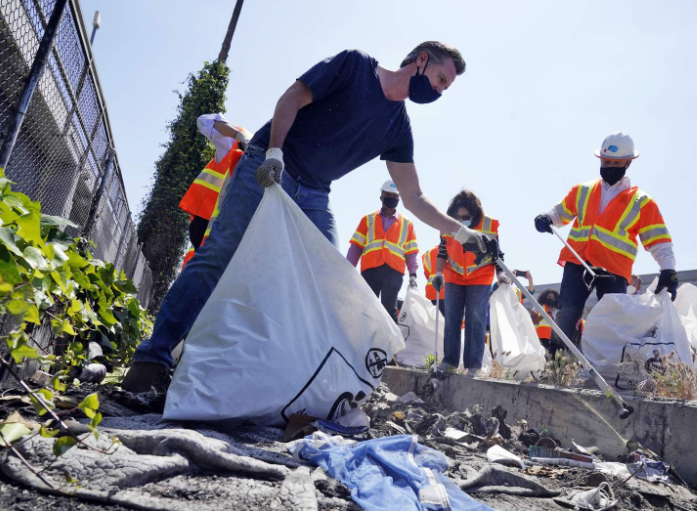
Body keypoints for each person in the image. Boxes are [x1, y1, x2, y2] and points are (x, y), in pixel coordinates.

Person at [123, 42, 492, 392]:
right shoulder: (355, 66)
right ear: (422, 60)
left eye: (446, 89)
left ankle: (303, 385)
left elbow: (413, 197)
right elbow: (292, 97)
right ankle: (151, 361)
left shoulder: (397, 127)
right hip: (268, 165)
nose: (439, 92)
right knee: (217, 256)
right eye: (442, 81)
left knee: (327, 284)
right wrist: (274, 153)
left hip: (314, 192)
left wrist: (462, 233)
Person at [533, 132, 678, 350]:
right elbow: (560, 212)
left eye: (615, 163)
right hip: (578, 262)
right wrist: (546, 217)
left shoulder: (642, 202)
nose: (609, 166)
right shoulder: (583, 191)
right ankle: (559, 366)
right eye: (605, 161)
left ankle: (607, 369)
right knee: (568, 312)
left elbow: (659, 241)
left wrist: (668, 271)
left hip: (614, 270)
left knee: (612, 321)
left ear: (628, 163)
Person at [433, 190, 508, 377]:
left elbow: (497, 254)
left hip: (480, 276)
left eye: (466, 217)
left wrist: (500, 275)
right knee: (452, 318)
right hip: (454, 276)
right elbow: (442, 251)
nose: (462, 220)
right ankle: (449, 362)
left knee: (476, 318)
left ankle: (473, 366)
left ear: (474, 215)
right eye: (459, 217)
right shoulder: (447, 223)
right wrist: (439, 273)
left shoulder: (488, 225)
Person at [179, 114, 252, 268]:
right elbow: (206, 121)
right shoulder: (240, 142)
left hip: (230, 231)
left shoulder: (278, 163)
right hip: (206, 222)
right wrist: (239, 136)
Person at [348, 180, 419, 321]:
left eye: (394, 196)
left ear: (399, 199)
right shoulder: (367, 220)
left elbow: (411, 252)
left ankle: (391, 343)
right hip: (370, 271)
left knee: (389, 309)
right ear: (381, 197)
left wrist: (413, 274)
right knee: (368, 308)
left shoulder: (407, 223)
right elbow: (355, 248)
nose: (391, 198)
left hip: (394, 272)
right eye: (388, 195)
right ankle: (367, 341)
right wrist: (347, 268)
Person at [531, 288, 559, 354]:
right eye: (549, 297)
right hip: (540, 337)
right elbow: (532, 321)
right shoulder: (538, 307)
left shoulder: (557, 310)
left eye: (553, 297)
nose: (551, 298)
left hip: (553, 339)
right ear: (544, 297)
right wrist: (544, 315)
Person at [422, 246, 445, 316]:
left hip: (431, 294)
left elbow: (427, 273)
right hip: (450, 295)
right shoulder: (458, 251)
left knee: (432, 324)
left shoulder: (429, 253)